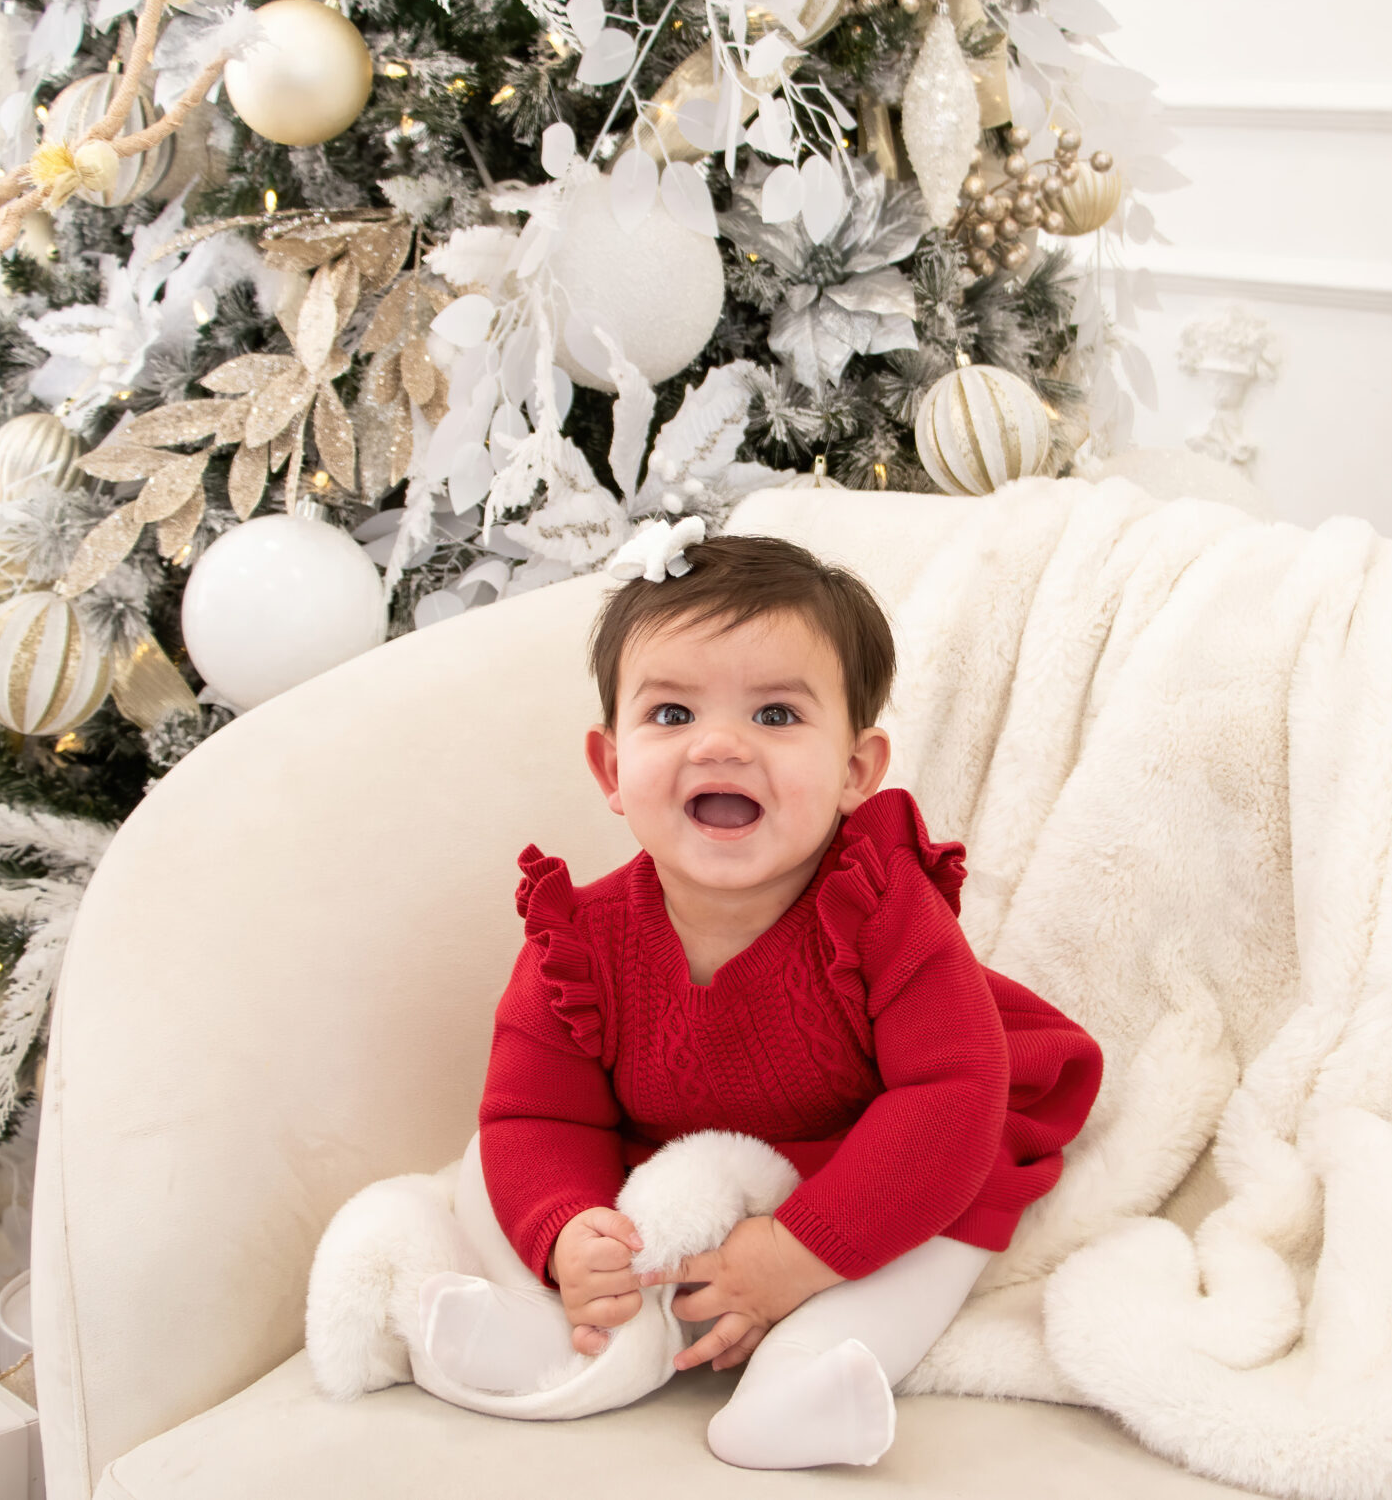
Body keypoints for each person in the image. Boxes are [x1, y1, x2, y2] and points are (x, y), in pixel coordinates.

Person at [422, 526, 1102, 1469]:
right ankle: (558, 1328)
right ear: (611, 768)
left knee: (951, 1205)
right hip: (679, 1152)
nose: (721, 745)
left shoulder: (883, 912)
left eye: (776, 715)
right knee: (489, 1166)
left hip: (886, 1149)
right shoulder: (576, 945)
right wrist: (570, 1230)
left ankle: (809, 1376)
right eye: (671, 713)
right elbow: (535, 1111)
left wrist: (798, 1255)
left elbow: (949, 1094)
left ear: (856, 771)